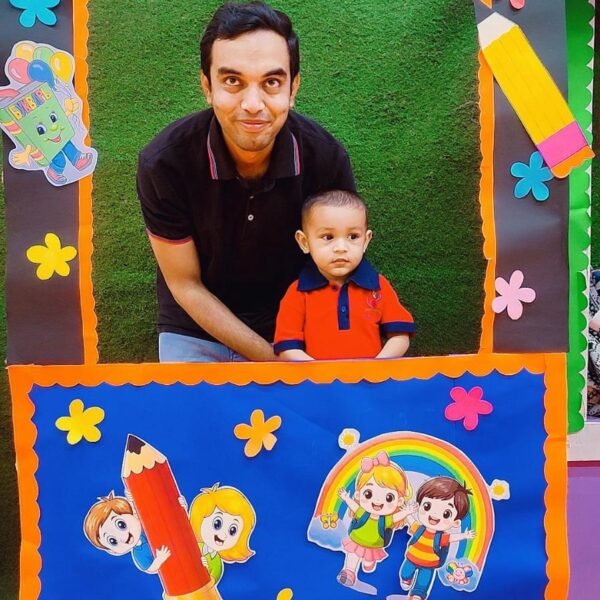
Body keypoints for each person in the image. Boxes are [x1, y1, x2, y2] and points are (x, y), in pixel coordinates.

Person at [137, 1, 355, 362]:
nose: (253, 104)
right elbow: (185, 284)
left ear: (293, 88)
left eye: (271, 82)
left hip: (295, 328)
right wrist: (272, 362)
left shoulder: (326, 159)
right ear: (207, 86)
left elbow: (339, 270)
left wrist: (296, 351)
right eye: (232, 81)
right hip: (194, 329)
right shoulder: (164, 163)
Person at [273, 190, 415, 360]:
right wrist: (319, 372)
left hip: (370, 376)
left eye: (353, 237)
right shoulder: (298, 293)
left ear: (366, 241)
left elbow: (400, 336)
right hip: (317, 377)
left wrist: (376, 366)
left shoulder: (378, 286)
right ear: (304, 242)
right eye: (328, 237)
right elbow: (287, 348)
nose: (341, 247)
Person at [336, 451, 414, 587]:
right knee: (353, 555)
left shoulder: (386, 519)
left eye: (389, 497)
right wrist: (346, 498)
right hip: (357, 539)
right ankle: (349, 572)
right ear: (359, 495)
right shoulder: (362, 512)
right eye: (368, 494)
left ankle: (368, 564)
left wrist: (407, 512)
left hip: (373, 544)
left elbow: (396, 517)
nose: (377, 501)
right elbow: (354, 506)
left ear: (400, 501)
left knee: (368, 560)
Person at [399, 477, 476, 600]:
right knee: (405, 573)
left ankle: (417, 595)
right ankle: (406, 580)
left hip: (429, 564)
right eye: (427, 506)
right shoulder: (419, 529)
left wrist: (464, 536)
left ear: (455, 522)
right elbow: (411, 522)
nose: (434, 514)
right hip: (411, 558)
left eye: (446, 513)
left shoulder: (441, 537)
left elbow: (451, 538)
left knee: (423, 583)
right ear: (419, 506)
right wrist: (407, 513)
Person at [83, 491, 171, 574]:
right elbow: (150, 568)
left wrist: (132, 498)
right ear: (113, 551)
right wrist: (159, 560)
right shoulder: (138, 554)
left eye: (121, 524)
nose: (123, 537)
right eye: (112, 541)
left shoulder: (145, 528)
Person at [188, 483, 256, 585]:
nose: (223, 535)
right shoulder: (192, 546)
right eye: (217, 524)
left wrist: (205, 571)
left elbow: (213, 581)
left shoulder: (217, 562)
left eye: (232, 530)